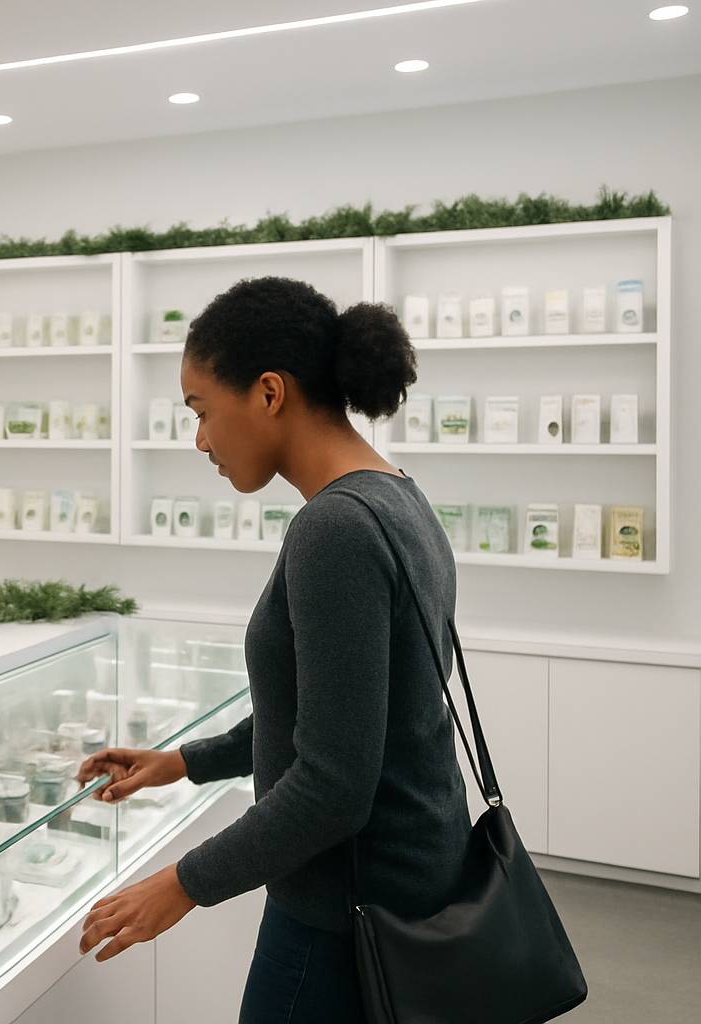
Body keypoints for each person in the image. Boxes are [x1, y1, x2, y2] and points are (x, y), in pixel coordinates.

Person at [77, 277, 471, 1023]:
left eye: (200, 411)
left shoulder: (336, 530)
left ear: (267, 393)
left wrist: (184, 883)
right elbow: (346, 710)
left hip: (347, 913)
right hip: (408, 882)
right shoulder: (396, 496)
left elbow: (332, 784)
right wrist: (185, 761)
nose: (199, 440)